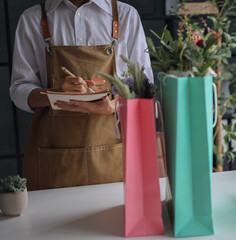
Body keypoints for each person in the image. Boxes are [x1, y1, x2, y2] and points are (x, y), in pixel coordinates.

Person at [9, 0, 153, 190]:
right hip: (56, 155)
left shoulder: (126, 15)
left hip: (114, 150)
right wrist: (56, 93)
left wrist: (116, 104)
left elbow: (144, 86)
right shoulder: (33, 18)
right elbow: (19, 88)